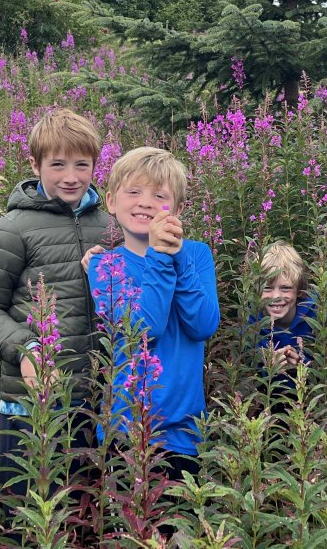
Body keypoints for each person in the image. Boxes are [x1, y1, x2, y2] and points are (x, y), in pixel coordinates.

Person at [0, 107, 112, 517]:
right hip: (31, 398)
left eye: (82, 164)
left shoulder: (109, 224)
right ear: (35, 165)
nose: (71, 176)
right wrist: (26, 348)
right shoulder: (13, 228)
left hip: (94, 395)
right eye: (58, 164)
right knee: (29, 510)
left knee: (85, 509)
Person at [88, 146, 220, 481]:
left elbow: (204, 324)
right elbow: (145, 329)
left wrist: (176, 257)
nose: (145, 202)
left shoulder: (197, 255)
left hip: (184, 435)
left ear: (178, 208)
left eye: (159, 195)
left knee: (182, 530)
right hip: (125, 431)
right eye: (133, 191)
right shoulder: (105, 266)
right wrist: (160, 257)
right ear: (111, 202)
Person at [254, 241, 314, 374]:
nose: (276, 296)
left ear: (299, 290)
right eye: (267, 288)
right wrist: (267, 369)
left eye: (285, 288)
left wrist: (302, 366)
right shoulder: (251, 323)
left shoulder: (317, 317)